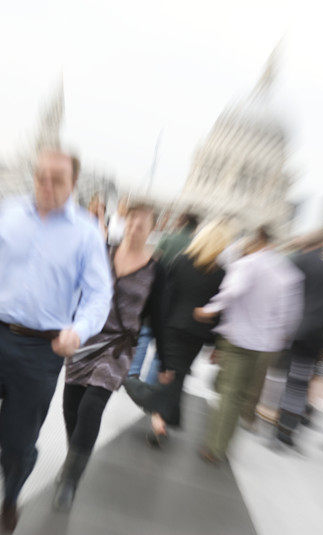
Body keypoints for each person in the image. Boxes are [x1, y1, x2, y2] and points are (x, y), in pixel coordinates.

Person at [0, 148, 112, 535]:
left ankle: (10, 493)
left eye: (57, 179)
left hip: (40, 351)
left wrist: (78, 330)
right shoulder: (7, 213)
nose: (46, 185)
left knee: (16, 446)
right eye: (41, 176)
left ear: (73, 184)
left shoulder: (86, 233)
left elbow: (100, 295)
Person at [55, 202, 166, 511]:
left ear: (152, 228)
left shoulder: (157, 270)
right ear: (124, 222)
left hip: (119, 345)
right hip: (86, 336)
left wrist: (167, 360)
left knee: (92, 407)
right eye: (131, 221)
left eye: (143, 224)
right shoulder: (101, 252)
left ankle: (70, 481)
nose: (135, 227)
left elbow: (157, 315)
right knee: (71, 408)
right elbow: (75, 287)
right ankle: (73, 459)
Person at [194, 226, 303, 463]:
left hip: (238, 338)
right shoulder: (287, 271)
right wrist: (283, 336)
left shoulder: (247, 264)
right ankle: (225, 443)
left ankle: (215, 447)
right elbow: (290, 313)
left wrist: (208, 310)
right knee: (244, 396)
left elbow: (233, 291)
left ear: (256, 241)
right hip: (267, 344)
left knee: (229, 393)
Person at [124, 219, 232, 445]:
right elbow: (220, 308)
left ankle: (137, 391)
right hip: (197, 333)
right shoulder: (221, 273)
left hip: (172, 326)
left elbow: (165, 294)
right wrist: (215, 342)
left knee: (171, 374)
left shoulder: (181, 261)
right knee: (176, 376)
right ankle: (160, 421)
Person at [276, 230, 323, 447]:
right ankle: (286, 428)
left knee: (274, 375)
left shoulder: (292, 262)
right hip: (312, 335)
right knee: (298, 381)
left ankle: (262, 413)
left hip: (284, 327)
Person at [128, 212, 199, 381]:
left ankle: (133, 373)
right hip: (176, 297)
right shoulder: (194, 245)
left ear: (181, 222)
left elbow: (154, 259)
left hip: (156, 289)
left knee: (145, 333)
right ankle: (152, 381)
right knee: (164, 338)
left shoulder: (168, 238)